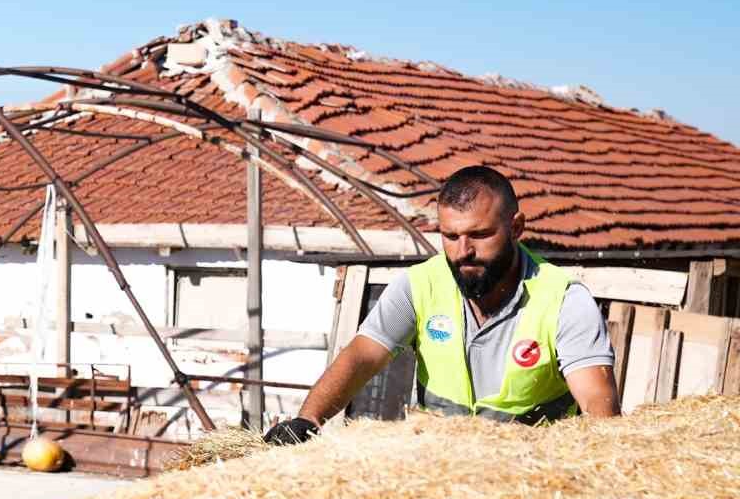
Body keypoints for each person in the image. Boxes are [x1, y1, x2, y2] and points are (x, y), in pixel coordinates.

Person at [265, 165, 619, 444]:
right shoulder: (419, 284)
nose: (463, 250)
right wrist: (309, 418)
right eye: (450, 236)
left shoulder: (564, 300)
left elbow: (598, 406)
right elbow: (362, 356)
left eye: (479, 235)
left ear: (516, 228)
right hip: (440, 474)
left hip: (535, 481)